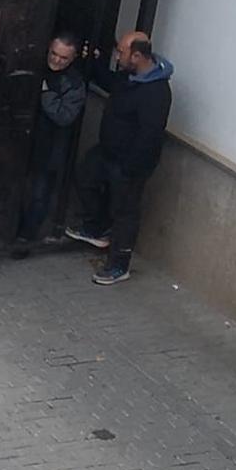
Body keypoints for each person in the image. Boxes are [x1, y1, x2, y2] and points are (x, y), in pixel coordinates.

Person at [67, 30, 173, 285]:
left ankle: (118, 265)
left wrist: (131, 167)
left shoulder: (156, 92)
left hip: (129, 163)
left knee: (125, 212)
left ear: (137, 56)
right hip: (107, 151)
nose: (118, 56)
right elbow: (109, 81)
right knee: (85, 178)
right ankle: (97, 227)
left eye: (122, 52)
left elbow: (150, 135)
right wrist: (90, 62)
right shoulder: (130, 76)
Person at [12, 32, 86, 253]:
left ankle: (25, 238)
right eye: (53, 54)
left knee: (39, 194)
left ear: (72, 59)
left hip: (49, 146)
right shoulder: (34, 65)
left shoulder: (73, 84)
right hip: (21, 140)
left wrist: (45, 93)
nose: (56, 60)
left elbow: (65, 116)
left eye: (63, 58)